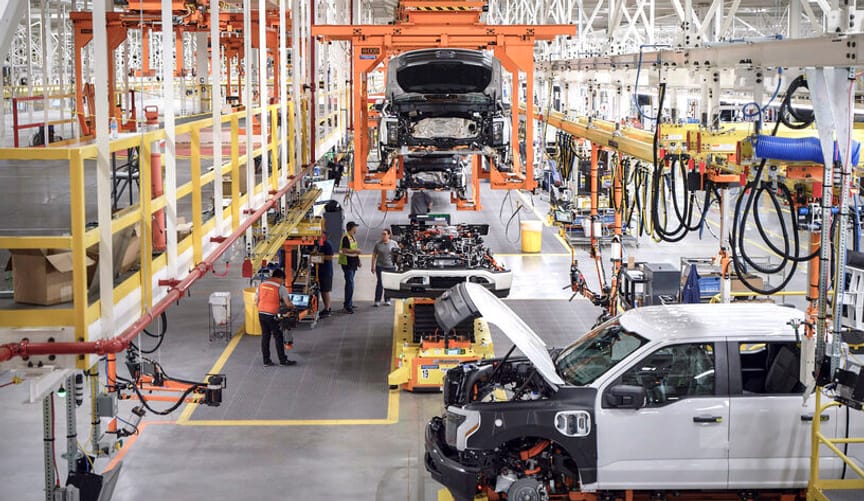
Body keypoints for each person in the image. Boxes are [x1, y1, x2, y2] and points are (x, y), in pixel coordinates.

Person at [256, 269, 296, 366]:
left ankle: (266, 361)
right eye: (283, 280)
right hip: (272, 315)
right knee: (278, 336)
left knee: (265, 336)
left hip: (261, 313)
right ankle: (282, 360)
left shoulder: (262, 284)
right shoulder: (281, 288)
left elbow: (256, 300)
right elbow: (287, 303)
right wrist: (293, 307)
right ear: (281, 278)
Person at [371, 229, 400, 307]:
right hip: (380, 266)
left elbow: (398, 255)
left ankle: (387, 299)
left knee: (388, 283)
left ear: (389, 235)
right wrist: (372, 266)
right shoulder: (378, 244)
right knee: (380, 283)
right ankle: (377, 300)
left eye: (385, 234)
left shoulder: (394, 244)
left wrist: (398, 265)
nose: (383, 236)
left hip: (390, 267)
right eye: (382, 234)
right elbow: (374, 255)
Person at [338, 221, 361, 313]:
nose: (356, 228)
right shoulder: (345, 238)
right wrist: (356, 251)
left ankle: (349, 303)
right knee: (350, 284)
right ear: (352, 228)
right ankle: (348, 305)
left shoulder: (352, 237)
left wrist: (358, 260)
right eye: (355, 227)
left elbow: (354, 250)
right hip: (347, 264)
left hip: (353, 263)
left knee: (350, 284)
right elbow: (344, 250)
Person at [316, 231, 335, 317]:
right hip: (320, 270)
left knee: (325, 290)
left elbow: (330, 257)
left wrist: (319, 256)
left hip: (326, 271)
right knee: (322, 290)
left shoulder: (327, 244)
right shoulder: (318, 244)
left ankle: (327, 309)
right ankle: (326, 308)